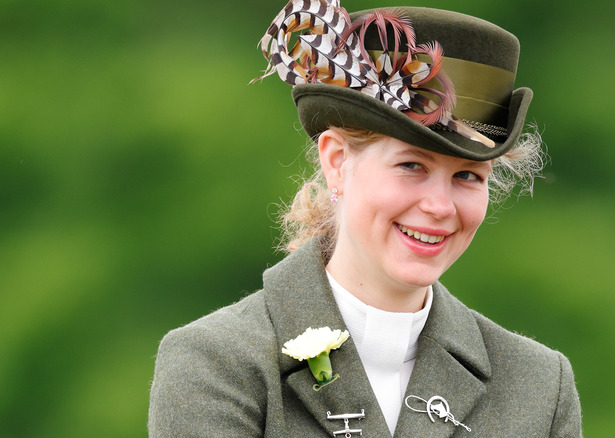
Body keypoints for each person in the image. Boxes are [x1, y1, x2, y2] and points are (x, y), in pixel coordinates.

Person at [148, 1, 582, 436]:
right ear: (337, 161)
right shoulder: (214, 363)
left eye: (468, 175)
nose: (440, 206)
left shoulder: (540, 386)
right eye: (412, 165)